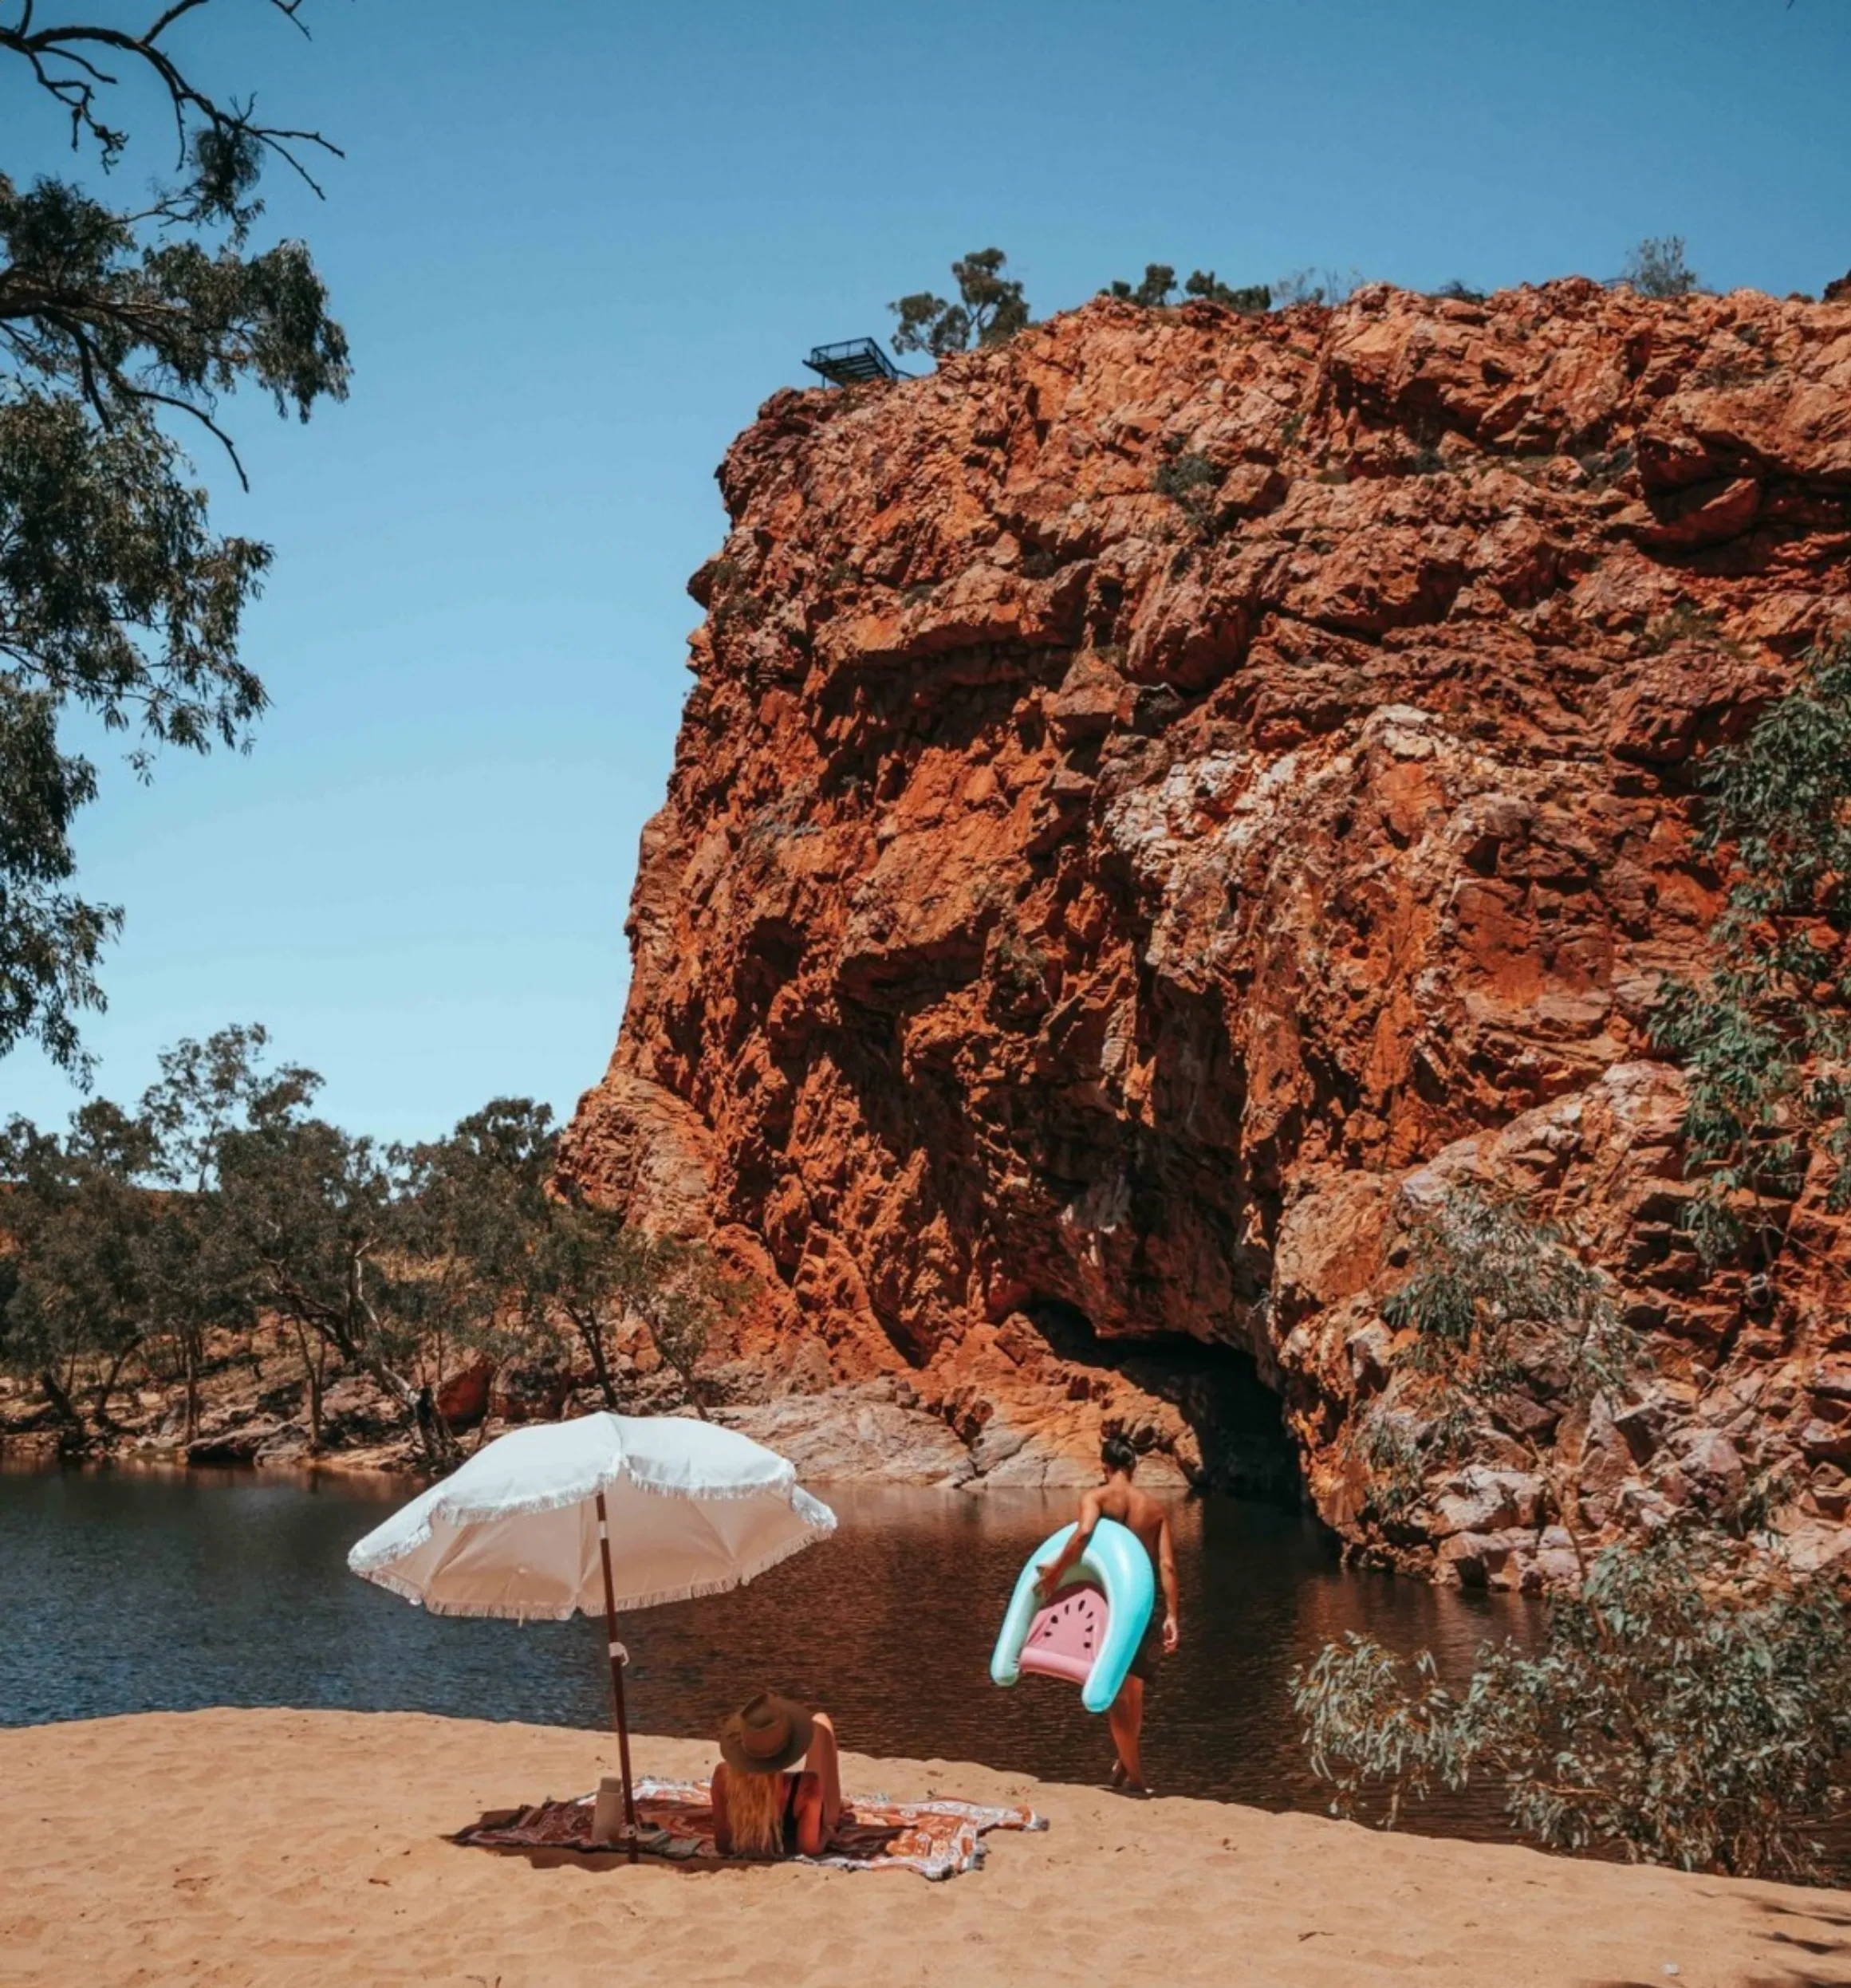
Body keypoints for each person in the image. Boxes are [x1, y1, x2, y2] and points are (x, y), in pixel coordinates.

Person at [1035, 1432, 1180, 1795]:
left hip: (1111, 1604)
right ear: (1134, 1467)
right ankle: (1124, 1760)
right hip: (1143, 1603)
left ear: (1105, 1466)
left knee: (1116, 1692)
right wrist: (1173, 1616)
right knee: (1135, 1690)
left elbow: (1084, 1535)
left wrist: (1055, 1571)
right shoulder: (1155, 1510)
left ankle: (1136, 1777)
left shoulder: (1096, 1497)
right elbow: (1168, 1566)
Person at [711, 1691, 845, 1859]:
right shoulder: (807, 1787)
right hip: (801, 1812)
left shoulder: (722, 1777)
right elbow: (809, 1849)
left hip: (752, 1815)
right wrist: (827, 1833)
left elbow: (723, 1845)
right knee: (820, 1722)